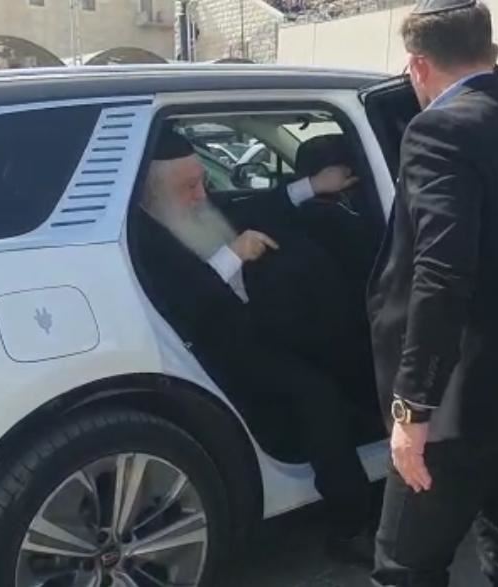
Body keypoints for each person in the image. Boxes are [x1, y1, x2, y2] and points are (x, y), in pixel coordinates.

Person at [366, 2, 498, 585]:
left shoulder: (438, 129)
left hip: (459, 401)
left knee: (405, 565)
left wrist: (413, 408)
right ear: (492, 53)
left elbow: (441, 274)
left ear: (418, 65)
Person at [131, 126, 378, 563]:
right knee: (316, 396)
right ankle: (352, 522)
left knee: (347, 342)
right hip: (216, 346)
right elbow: (186, 304)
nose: (201, 195)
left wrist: (314, 185)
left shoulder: (190, 206)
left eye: (202, 181)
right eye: (189, 187)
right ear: (153, 192)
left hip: (256, 324)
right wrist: (235, 254)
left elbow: (253, 205)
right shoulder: (146, 239)